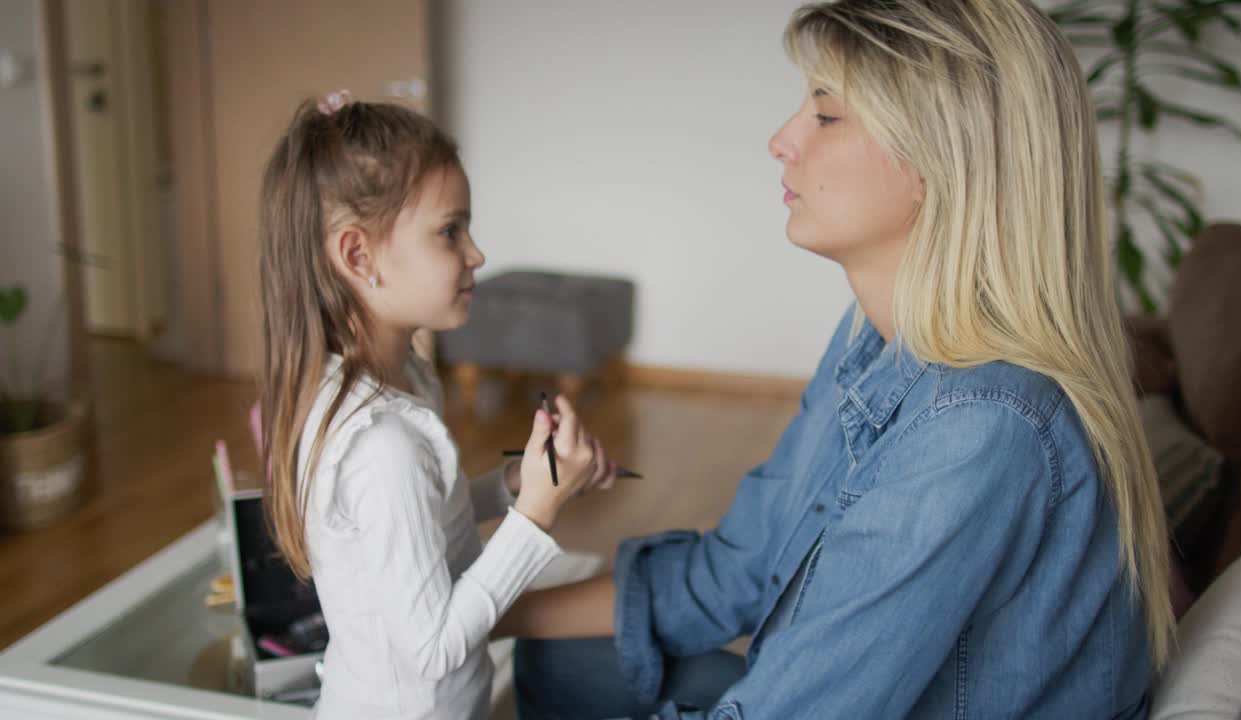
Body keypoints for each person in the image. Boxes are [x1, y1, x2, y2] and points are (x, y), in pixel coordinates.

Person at [503, 2, 1173, 717]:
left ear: (943, 158)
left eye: (825, 115)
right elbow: (737, 569)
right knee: (553, 652)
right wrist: (468, 612)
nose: (780, 141)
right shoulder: (874, 341)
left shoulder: (981, 425)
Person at [257, 91, 616, 720]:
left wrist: (514, 483)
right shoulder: (381, 446)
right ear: (358, 257)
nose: (476, 253)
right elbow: (434, 647)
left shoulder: (409, 381)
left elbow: (426, 515)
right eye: (451, 231)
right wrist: (536, 511)